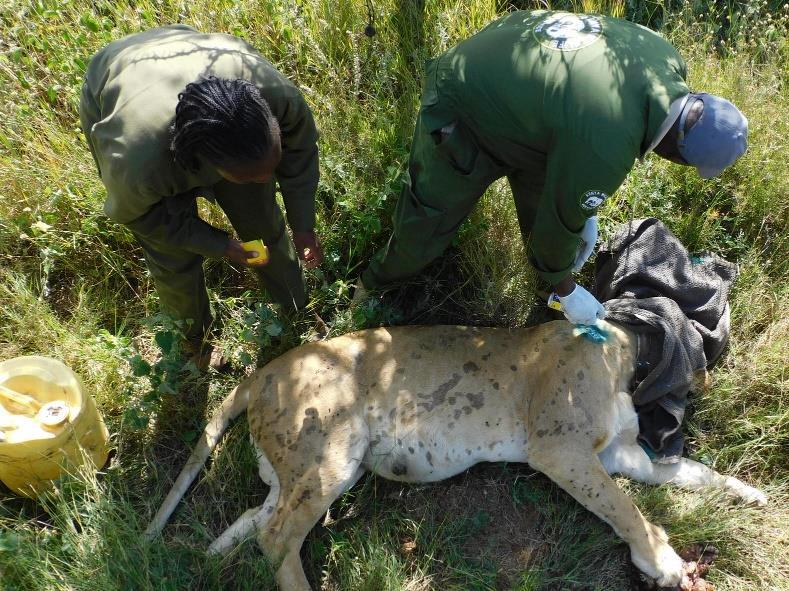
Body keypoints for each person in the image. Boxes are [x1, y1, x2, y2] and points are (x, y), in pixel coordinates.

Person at [356, 10, 748, 325]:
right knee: (429, 219)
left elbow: (574, 129)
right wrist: (569, 290)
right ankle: (370, 288)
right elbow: (560, 220)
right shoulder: (606, 144)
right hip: (464, 98)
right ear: (677, 152)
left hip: (517, 72)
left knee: (547, 203)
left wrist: (583, 215)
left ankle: (545, 291)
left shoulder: (666, 56)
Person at [79, 25, 323, 367]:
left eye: (272, 162)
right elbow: (144, 218)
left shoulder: (279, 98)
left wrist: (303, 225)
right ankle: (196, 343)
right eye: (250, 175)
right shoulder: (138, 164)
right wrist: (220, 245)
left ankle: (294, 307)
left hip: (184, 49)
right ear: (206, 164)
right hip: (120, 75)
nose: (267, 180)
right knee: (174, 259)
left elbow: (300, 155)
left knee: (262, 222)